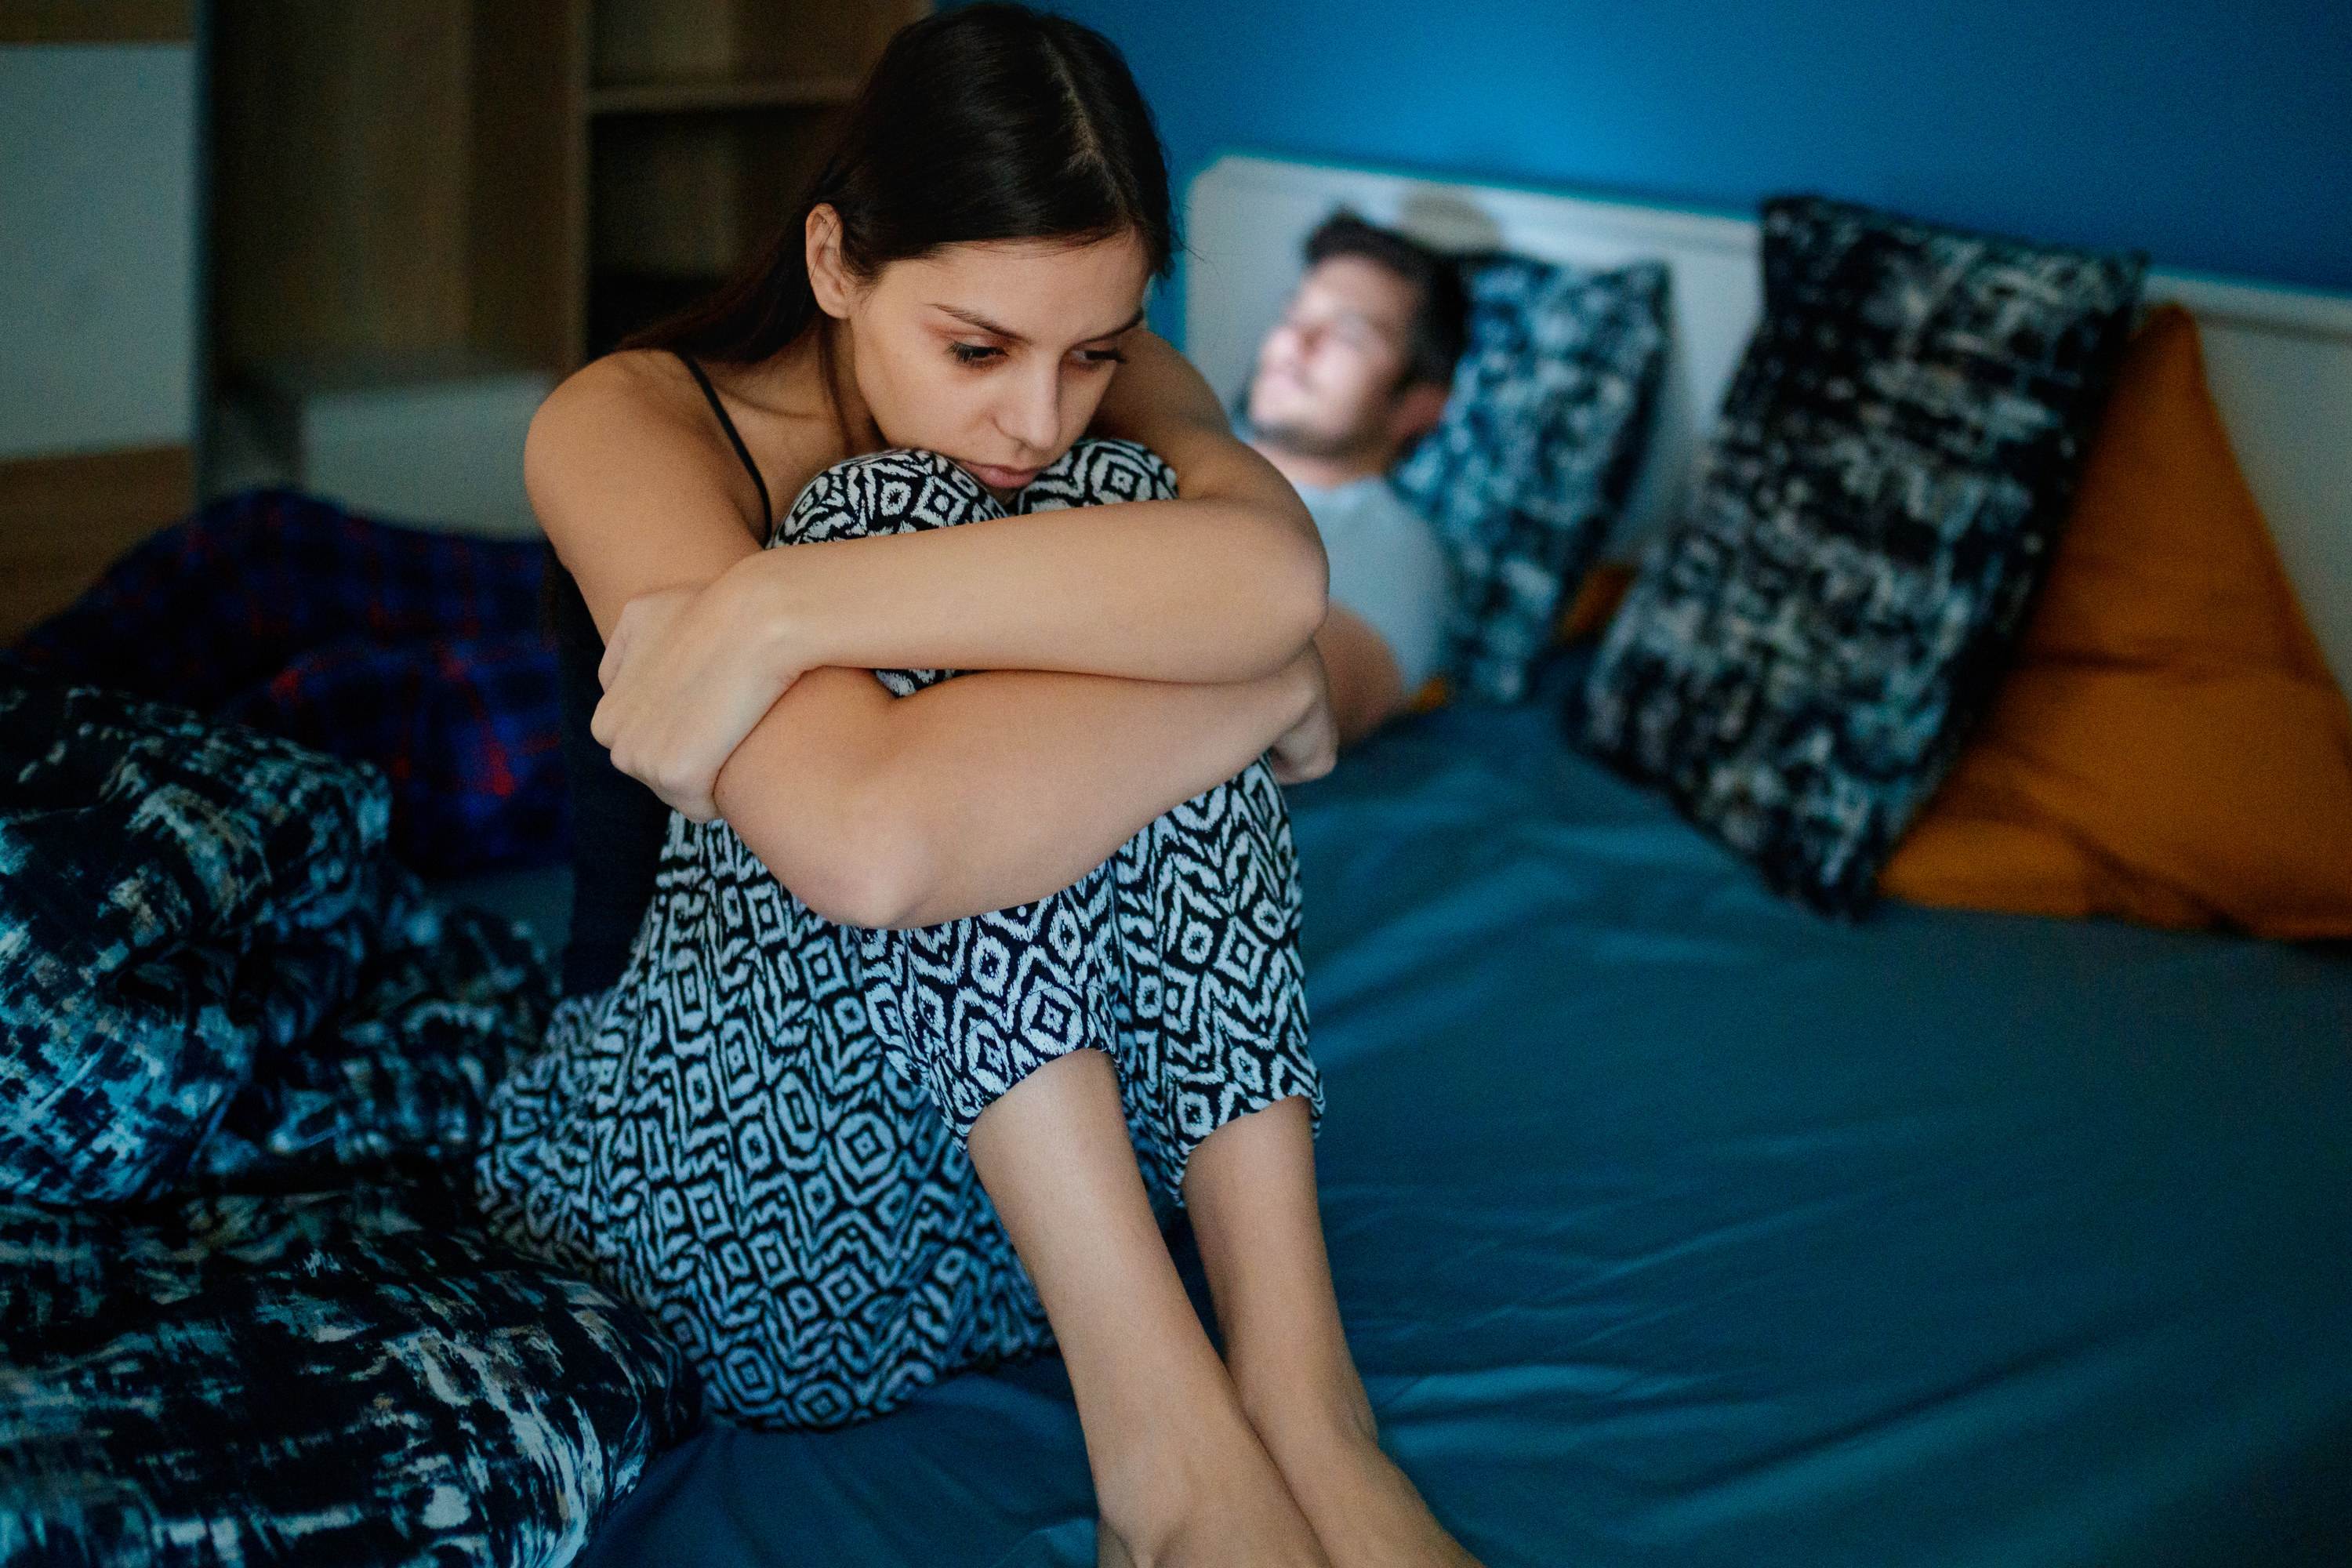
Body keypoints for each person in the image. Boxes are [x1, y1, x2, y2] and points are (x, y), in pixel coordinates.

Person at [474, 6, 1480, 1566]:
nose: (1037, 413)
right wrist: (1249, 693)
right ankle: (1175, 1464)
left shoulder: (1091, 387)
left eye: (1095, 351)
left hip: (1045, 1225)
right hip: (733, 1224)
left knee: (1122, 531)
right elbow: (872, 840)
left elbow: (1279, 570)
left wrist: (775, 612)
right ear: (833, 264)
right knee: (939, 521)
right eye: (976, 347)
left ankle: (1303, 1403)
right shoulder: (631, 420)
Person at [1244, 215, 1468, 742]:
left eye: (1348, 332)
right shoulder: (1172, 435)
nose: (1296, 342)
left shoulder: (1399, 549)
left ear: (1418, 405)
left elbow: (1271, 705)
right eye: (1296, 313)